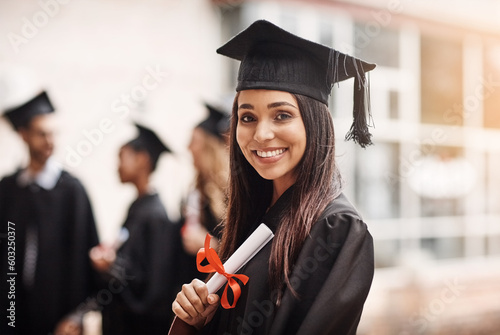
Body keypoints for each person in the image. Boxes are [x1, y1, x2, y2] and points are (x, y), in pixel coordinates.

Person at [170, 20, 376, 335]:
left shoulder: (336, 228)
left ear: (313, 122)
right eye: (248, 117)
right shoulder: (254, 213)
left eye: (282, 115)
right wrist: (198, 320)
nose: (262, 134)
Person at [0, 91, 100, 335]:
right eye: (41, 134)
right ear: (23, 135)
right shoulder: (8, 189)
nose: (50, 141)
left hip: (59, 319)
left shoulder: (72, 191)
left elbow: (87, 258)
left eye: (53, 133)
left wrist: (77, 315)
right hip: (12, 313)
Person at [89, 123, 180, 334]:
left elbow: (154, 286)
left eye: (122, 157)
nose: (117, 166)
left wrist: (112, 265)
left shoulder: (156, 216)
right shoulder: (138, 207)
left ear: (142, 160)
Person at [179, 103, 230, 282]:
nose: (188, 148)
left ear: (208, 147)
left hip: (216, 290)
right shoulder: (193, 193)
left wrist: (211, 246)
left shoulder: (229, 194)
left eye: (193, 141)